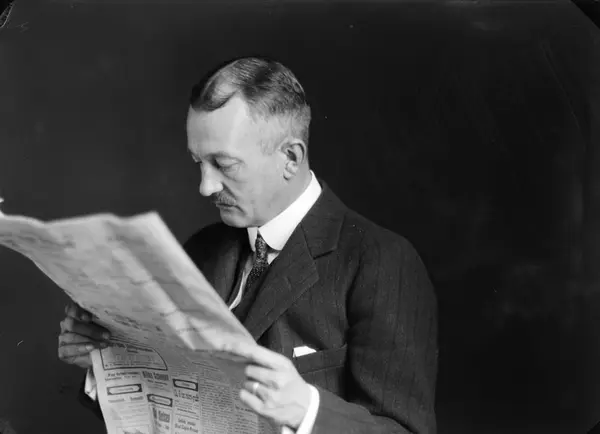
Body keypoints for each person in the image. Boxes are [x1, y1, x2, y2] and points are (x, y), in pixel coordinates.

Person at [57, 56, 438, 434]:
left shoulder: (381, 262)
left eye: (224, 165)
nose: (206, 186)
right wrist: (106, 364)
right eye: (198, 162)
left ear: (291, 158)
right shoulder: (200, 250)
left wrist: (307, 412)